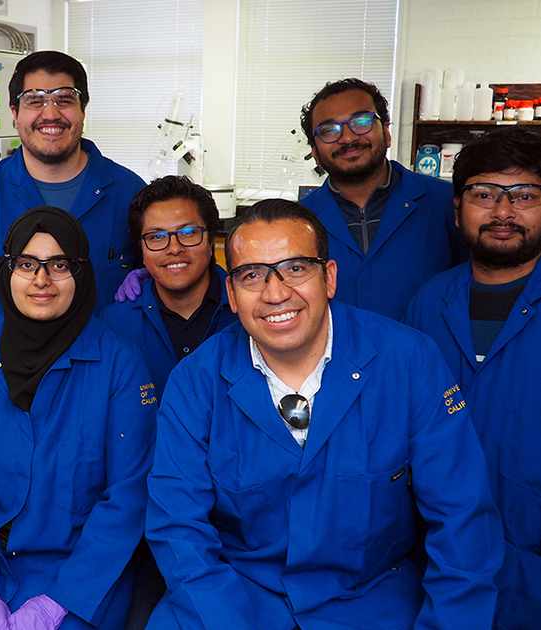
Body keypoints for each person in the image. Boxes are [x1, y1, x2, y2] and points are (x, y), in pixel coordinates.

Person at [145, 199, 502, 630]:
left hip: (369, 597)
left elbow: (463, 519)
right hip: (234, 596)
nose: (276, 293)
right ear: (232, 295)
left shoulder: (408, 361)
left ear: (329, 277)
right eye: (253, 275)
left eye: (296, 268)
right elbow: (178, 528)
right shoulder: (195, 382)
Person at [0, 206, 156, 630]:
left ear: (81, 273)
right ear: (8, 271)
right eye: (27, 264)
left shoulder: (119, 362)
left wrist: (58, 602)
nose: (41, 280)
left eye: (59, 265)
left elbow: (128, 496)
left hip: (79, 580)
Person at [404, 126, 541, 629]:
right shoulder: (426, 303)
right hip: (438, 561)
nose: (503, 212)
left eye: (524, 195)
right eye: (484, 195)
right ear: (457, 207)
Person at [0, 50, 145, 332]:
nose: (51, 114)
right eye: (34, 101)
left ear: (83, 111)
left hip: (104, 370)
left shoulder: (131, 193)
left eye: (65, 100)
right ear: (15, 114)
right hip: (6, 369)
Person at [298, 78, 468, 320]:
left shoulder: (448, 204)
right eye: (329, 130)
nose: (347, 138)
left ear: (386, 132)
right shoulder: (298, 222)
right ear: (315, 152)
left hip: (429, 356)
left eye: (362, 121)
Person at [102, 176, 237, 398]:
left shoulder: (247, 311)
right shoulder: (116, 323)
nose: (174, 248)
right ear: (141, 250)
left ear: (211, 239)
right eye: (156, 236)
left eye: (188, 233)